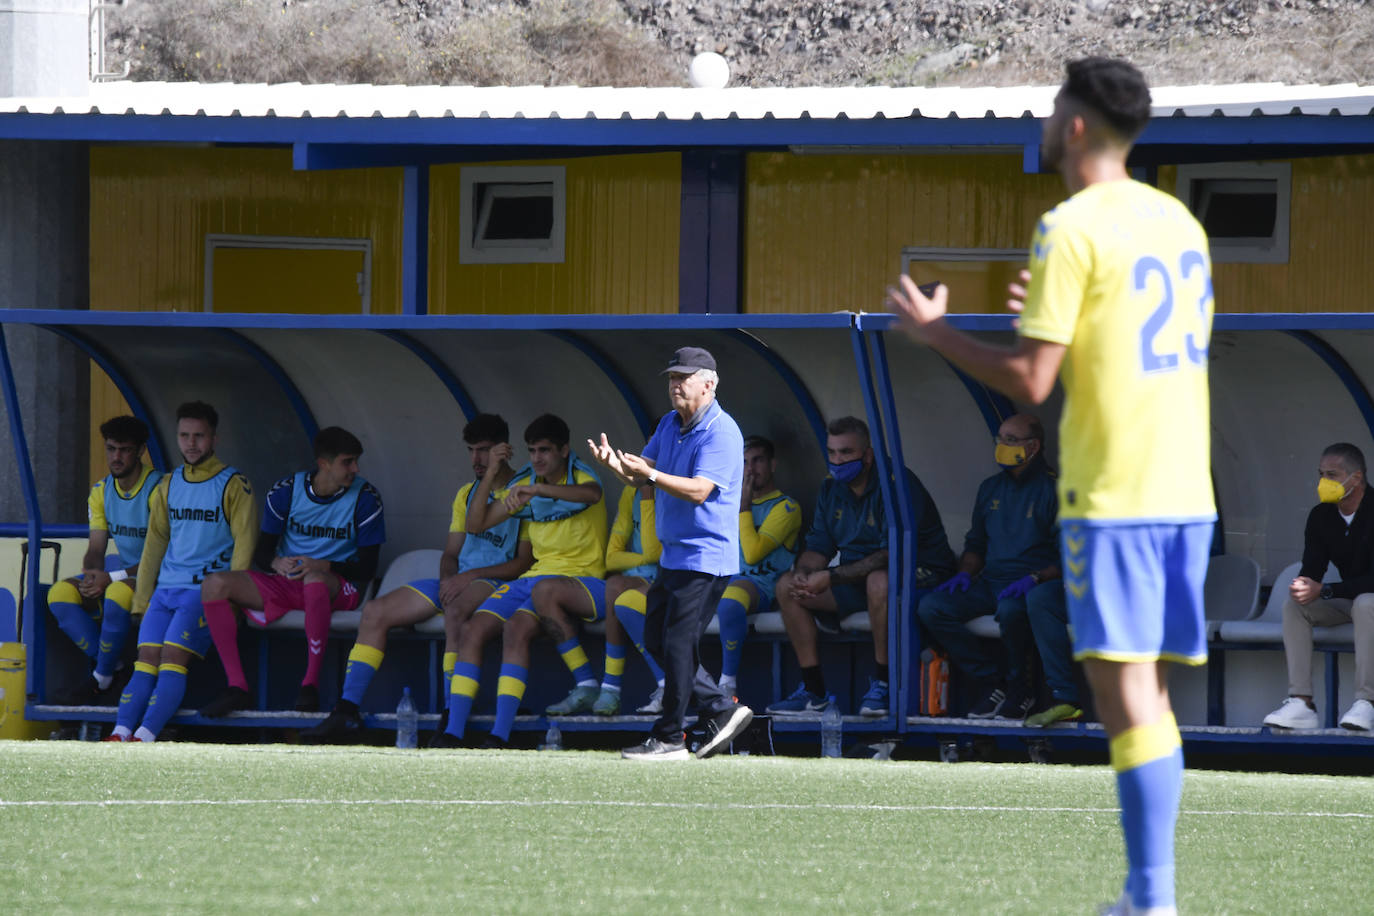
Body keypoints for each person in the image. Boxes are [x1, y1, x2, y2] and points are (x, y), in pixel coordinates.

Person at [887, 58, 1214, 916]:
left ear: (1073, 126)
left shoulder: (1070, 225)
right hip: (1185, 486)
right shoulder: (1179, 223)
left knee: (1124, 696)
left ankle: (1151, 898)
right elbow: (1140, 341)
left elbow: (1032, 382)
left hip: (1117, 491)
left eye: (1051, 107)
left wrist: (936, 333)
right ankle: (1151, 890)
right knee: (1153, 696)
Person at [302, 413, 534, 742]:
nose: (476, 459)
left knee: (455, 609)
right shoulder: (466, 493)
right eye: (470, 450)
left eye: (483, 450)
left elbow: (523, 563)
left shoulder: (525, 490)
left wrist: (467, 579)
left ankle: (452, 715)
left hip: (496, 583)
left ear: (503, 450)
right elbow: (451, 553)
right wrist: (448, 579)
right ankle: (346, 711)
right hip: (462, 581)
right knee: (374, 612)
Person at [588, 345, 755, 760]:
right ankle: (718, 707)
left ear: (709, 384)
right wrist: (615, 465)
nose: (675, 385)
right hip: (674, 557)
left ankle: (668, 738)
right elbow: (639, 474)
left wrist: (651, 475)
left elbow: (700, 490)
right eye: (672, 378)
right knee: (657, 640)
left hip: (706, 558)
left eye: (684, 378)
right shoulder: (669, 423)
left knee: (678, 645)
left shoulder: (723, 431)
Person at [435, 413, 607, 748]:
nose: (538, 458)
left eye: (545, 450)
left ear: (564, 450)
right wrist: (491, 478)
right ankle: (455, 732)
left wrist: (538, 489)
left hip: (582, 581)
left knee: (534, 602)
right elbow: (476, 525)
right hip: (536, 582)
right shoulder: (525, 481)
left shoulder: (578, 472)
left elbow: (593, 494)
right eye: (532, 451)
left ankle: (508, 729)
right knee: (475, 628)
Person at [765, 416, 955, 717]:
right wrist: (804, 573)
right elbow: (818, 546)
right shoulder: (831, 489)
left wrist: (830, 576)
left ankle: (883, 683)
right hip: (857, 577)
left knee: (879, 580)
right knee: (787, 587)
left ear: (867, 456)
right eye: (832, 452)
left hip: (923, 572)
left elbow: (889, 555)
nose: (837, 461)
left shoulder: (897, 484)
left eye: (846, 453)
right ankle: (814, 693)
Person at [196, 426, 385, 717]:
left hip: (338, 586)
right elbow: (262, 552)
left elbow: (369, 567)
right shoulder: (286, 492)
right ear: (324, 464)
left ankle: (310, 685)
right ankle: (237, 688)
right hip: (288, 583)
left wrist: (325, 565)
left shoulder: (366, 498)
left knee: (315, 581)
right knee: (214, 584)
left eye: (356, 461)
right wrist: (274, 563)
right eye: (347, 462)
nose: (355, 469)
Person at [105, 401, 258, 742]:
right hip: (165, 591)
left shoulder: (234, 484)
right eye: (184, 436)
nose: (191, 444)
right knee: (145, 659)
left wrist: (235, 599)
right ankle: (119, 734)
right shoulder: (168, 483)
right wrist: (142, 600)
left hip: (204, 592)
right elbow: (154, 546)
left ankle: (144, 737)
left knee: (172, 657)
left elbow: (244, 545)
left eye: (199, 436)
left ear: (214, 439)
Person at [917, 413, 1070, 721]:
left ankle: (1020, 690)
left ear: (1034, 446)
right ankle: (992, 682)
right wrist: (964, 573)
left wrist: (1036, 577)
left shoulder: (1055, 490)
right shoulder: (990, 488)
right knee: (932, 607)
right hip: (991, 582)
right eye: (1000, 439)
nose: (1002, 446)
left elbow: (1068, 556)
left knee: (1012, 611)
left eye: (1011, 440)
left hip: (1031, 585)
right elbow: (976, 545)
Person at [47, 415, 163, 703]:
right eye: (111, 449)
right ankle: (115, 669)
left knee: (116, 591)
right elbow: (96, 547)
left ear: (141, 451)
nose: (116, 456)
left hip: (161, 578)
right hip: (125, 578)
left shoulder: (159, 489)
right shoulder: (100, 492)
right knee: (59, 594)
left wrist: (110, 578)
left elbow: (159, 557)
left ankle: (100, 678)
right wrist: (91, 575)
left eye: (124, 449)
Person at [1262, 443, 1374, 732]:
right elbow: (1312, 570)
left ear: (1357, 478)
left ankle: (1367, 703)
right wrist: (1304, 586)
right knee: (1296, 607)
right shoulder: (1321, 516)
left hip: (1367, 601)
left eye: (1333, 475)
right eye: (1321, 474)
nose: (1325, 482)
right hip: (1350, 600)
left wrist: (1325, 590)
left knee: (1366, 602)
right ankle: (1301, 703)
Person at [715, 435, 801, 698]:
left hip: (763, 585)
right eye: (744, 463)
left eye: (757, 461)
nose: (750, 470)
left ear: (772, 465)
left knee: (729, 603)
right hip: (726, 580)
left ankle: (727, 684)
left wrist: (743, 505)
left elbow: (752, 554)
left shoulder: (786, 506)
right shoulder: (726, 506)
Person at [591, 480, 668, 716]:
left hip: (671, 578)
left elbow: (655, 551)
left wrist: (647, 493)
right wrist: (644, 559)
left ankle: (667, 683)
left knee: (624, 600)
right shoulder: (629, 490)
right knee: (614, 585)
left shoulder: (674, 487)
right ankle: (611, 686)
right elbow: (612, 559)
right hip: (642, 578)